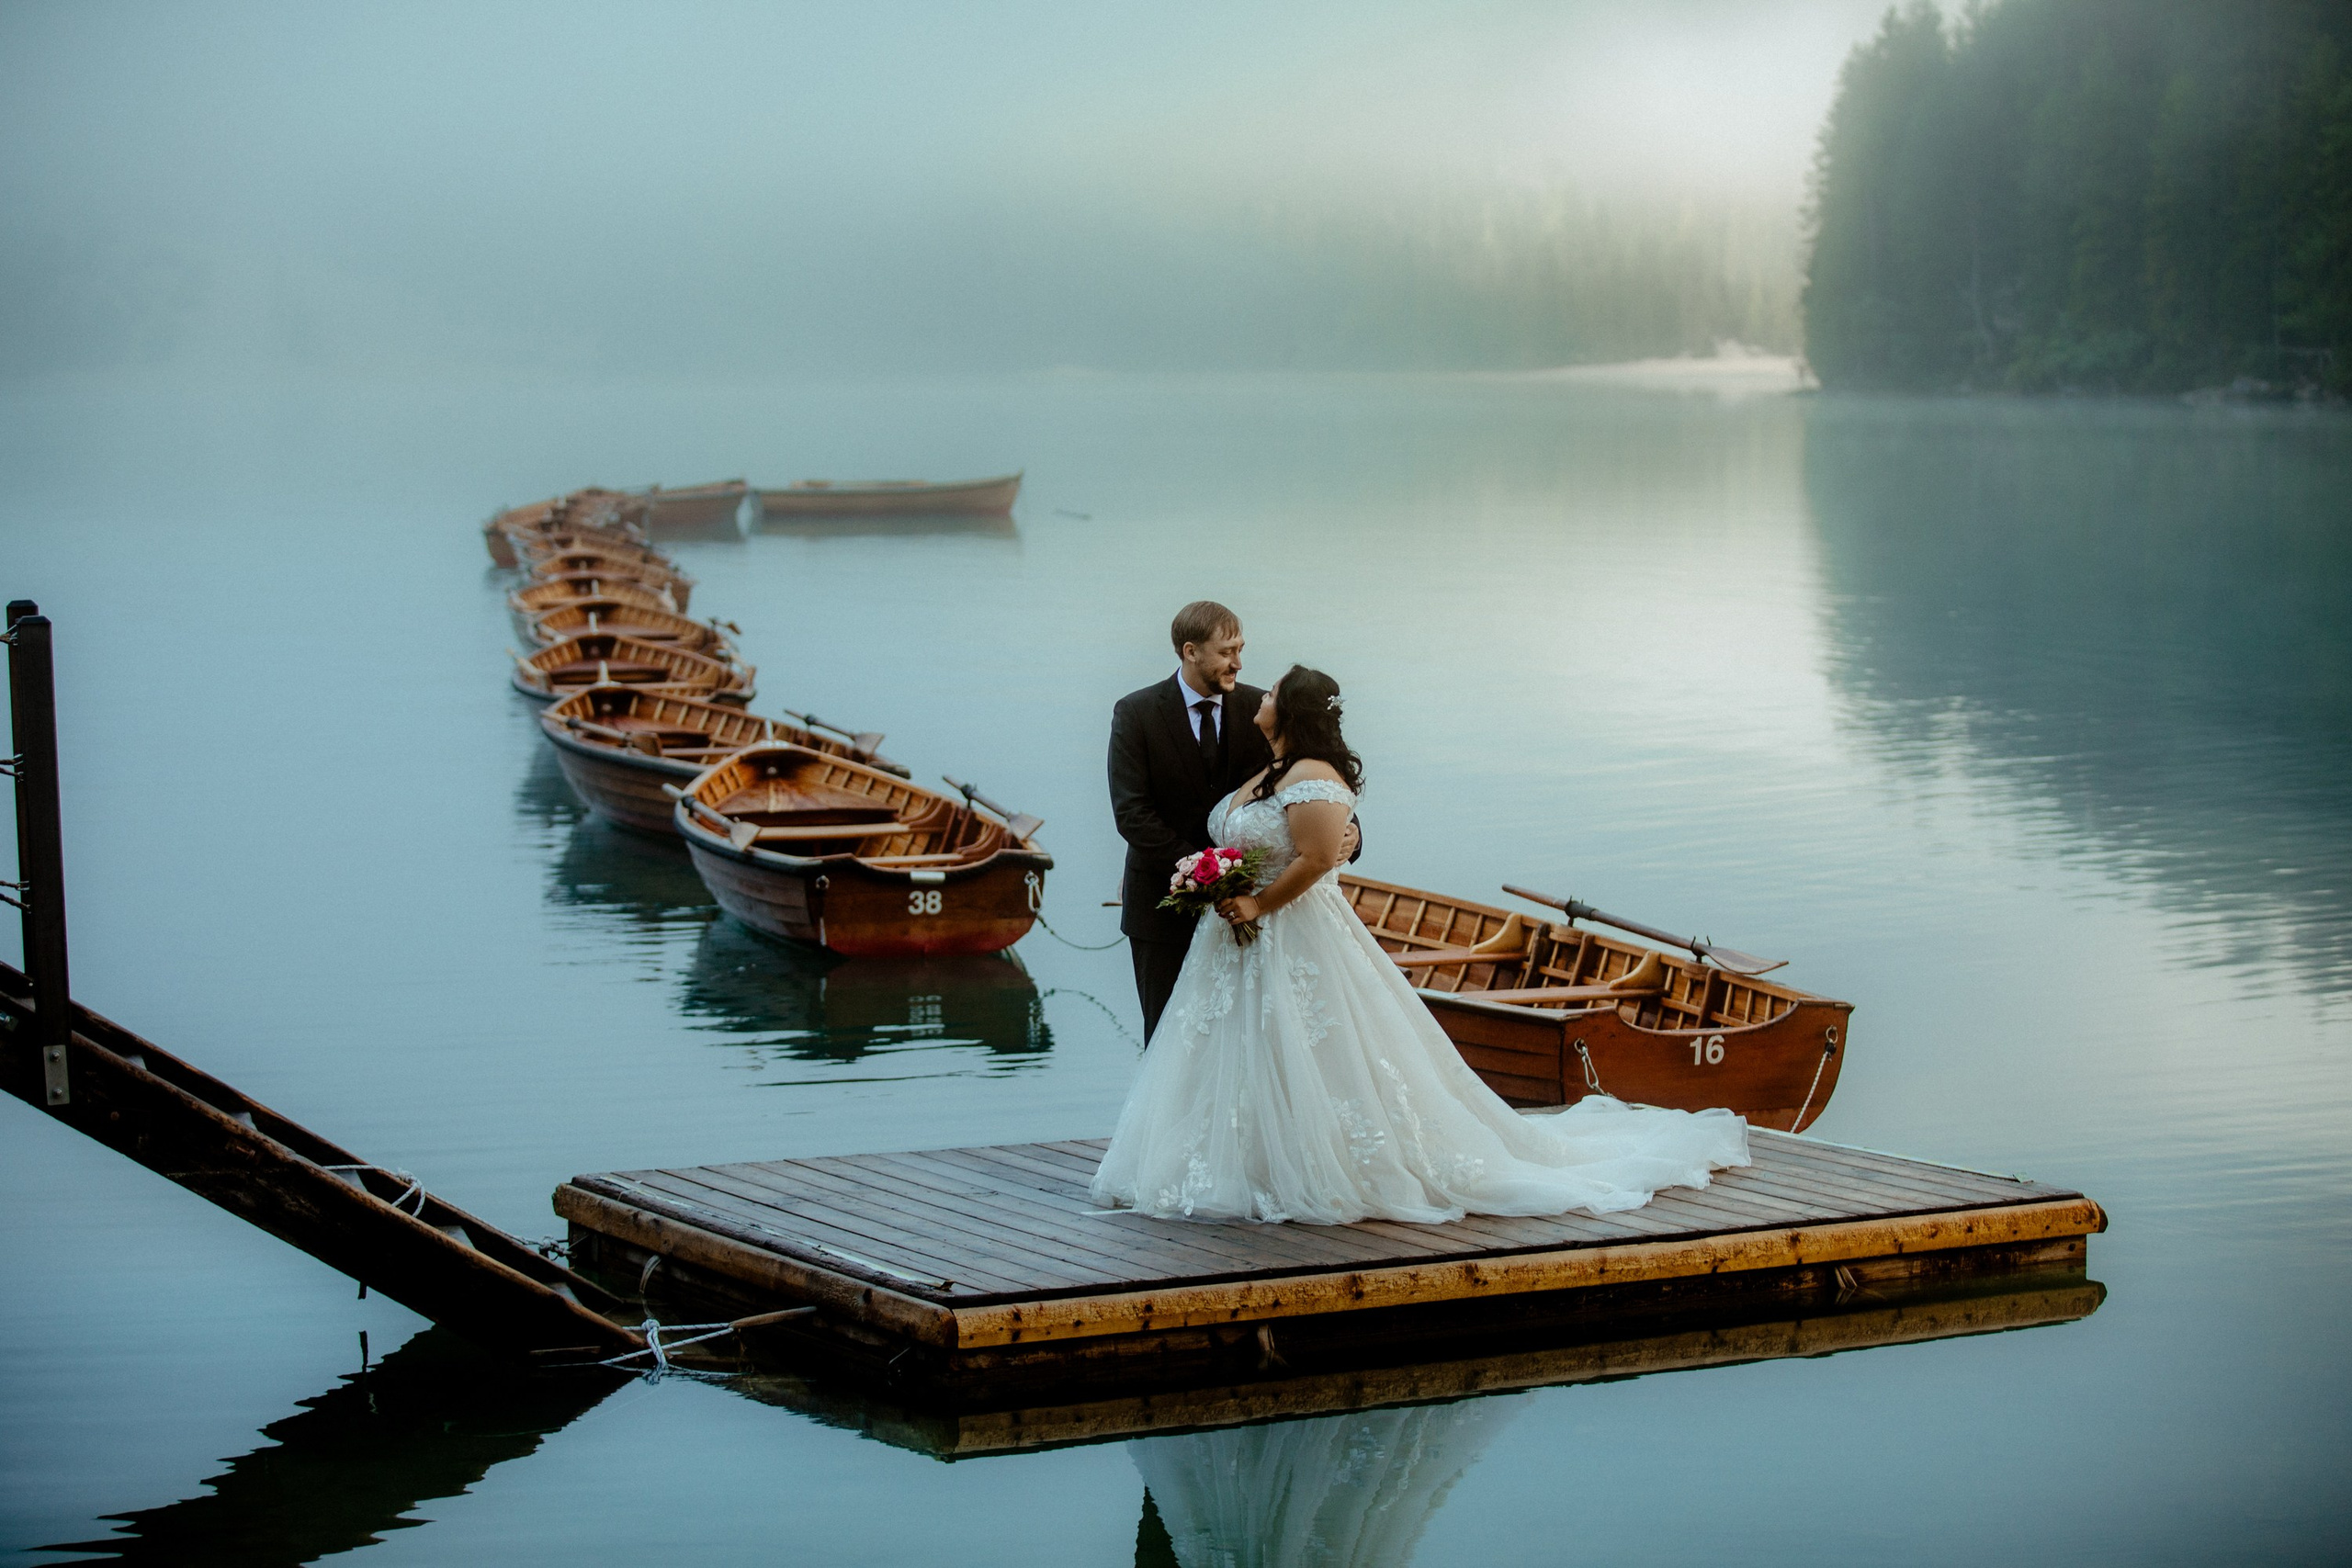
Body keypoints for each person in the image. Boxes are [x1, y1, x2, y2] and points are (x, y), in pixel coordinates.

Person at [1091, 663, 1749, 1225]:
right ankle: (1246, 1158)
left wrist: (1258, 899)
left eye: (1270, 694)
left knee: (1314, 1047)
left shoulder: (1311, 773)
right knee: (1238, 1051)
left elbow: (1320, 852)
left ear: (1285, 711)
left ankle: (1324, 1162)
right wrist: (1214, 878)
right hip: (1232, 938)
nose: (1256, 693)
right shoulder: (1267, 766)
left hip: (1288, 930)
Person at [1107, 601, 1358, 1041]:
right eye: (1226, 652)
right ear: (1190, 651)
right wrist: (1209, 873)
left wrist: (1351, 833)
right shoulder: (1136, 713)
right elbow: (1132, 814)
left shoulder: (1265, 710)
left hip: (1254, 918)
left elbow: (1313, 779)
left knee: (1251, 1043)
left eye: (1240, 649)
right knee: (1170, 1043)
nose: (1238, 663)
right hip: (1161, 910)